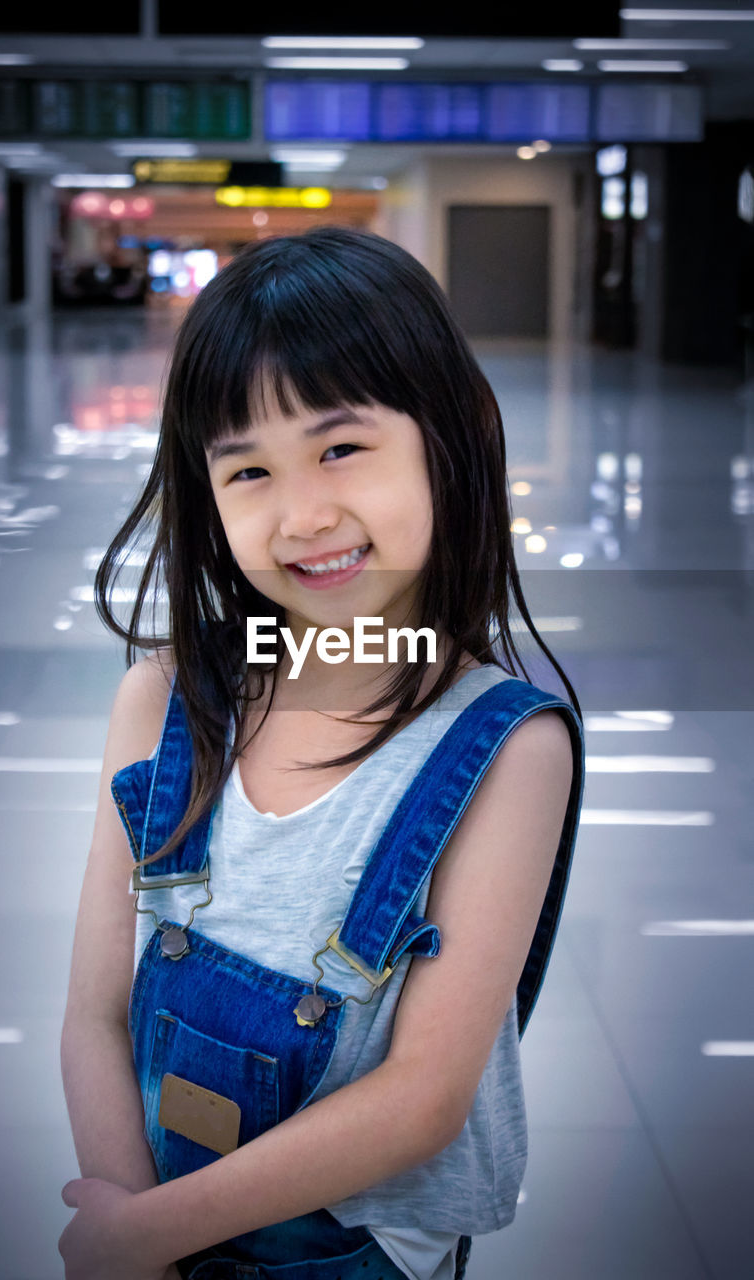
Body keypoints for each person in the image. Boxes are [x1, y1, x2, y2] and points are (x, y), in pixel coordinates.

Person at [58, 227, 585, 1280]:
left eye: (340, 447)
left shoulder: (504, 747)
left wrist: (149, 1232)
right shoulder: (162, 699)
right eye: (248, 469)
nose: (303, 514)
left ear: (453, 435)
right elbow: (94, 1013)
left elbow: (423, 1097)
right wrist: (129, 1223)